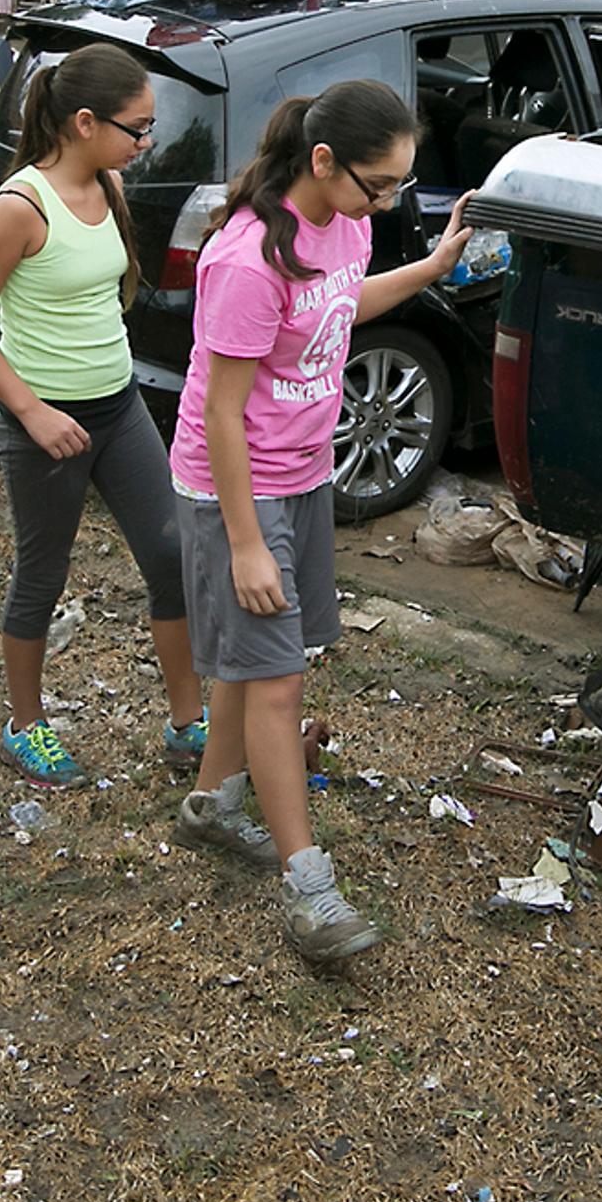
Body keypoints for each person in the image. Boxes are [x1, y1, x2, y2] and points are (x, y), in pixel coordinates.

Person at [171, 81, 469, 962]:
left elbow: (342, 305)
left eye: (397, 188)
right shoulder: (246, 261)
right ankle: (310, 890)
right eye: (375, 185)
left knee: (257, 657)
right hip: (238, 487)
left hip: (304, 475)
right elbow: (221, 414)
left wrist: (427, 270)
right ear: (323, 161)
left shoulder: (347, 226)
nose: (386, 202)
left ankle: (213, 804)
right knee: (278, 684)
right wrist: (245, 541)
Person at [0, 44, 207, 788]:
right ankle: (24, 727)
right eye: (137, 127)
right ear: (85, 122)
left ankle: (189, 725)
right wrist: (30, 413)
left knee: (170, 558)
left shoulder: (110, 184)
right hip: (45, 423)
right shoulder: (16, 209)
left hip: (118, 410)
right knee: (42, 575)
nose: (146, 142)